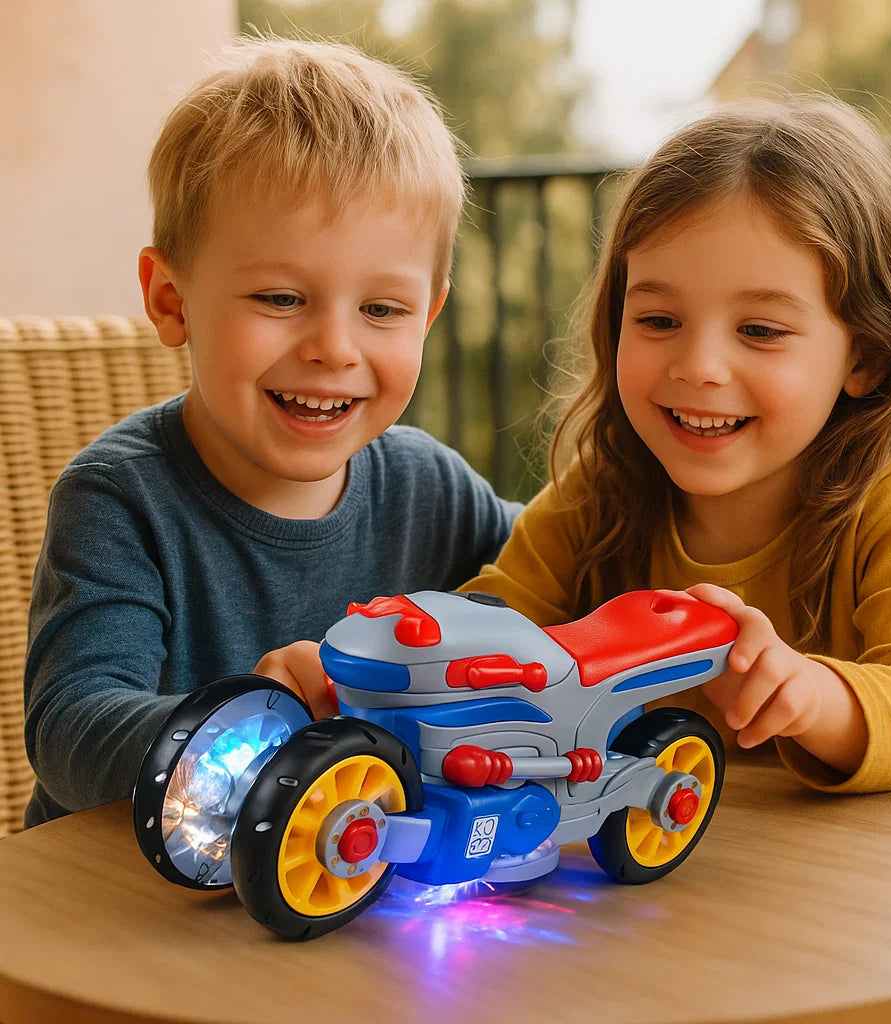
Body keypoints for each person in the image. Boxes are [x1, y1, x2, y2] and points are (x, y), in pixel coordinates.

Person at [22, 38, 520, 827]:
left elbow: (573, 568)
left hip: (344, 877)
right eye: (282, 299)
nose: (335, 348)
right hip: (119, 888)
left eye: (382, 309)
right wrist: (251, 721)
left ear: (427, 317)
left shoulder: (431, 487)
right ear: (172, 301)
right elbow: (69, 733)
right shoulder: (119, 498)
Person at [463, 94, 891, 794]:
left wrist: (812, 697)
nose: (699, 366)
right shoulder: (599, 490)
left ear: (866, 358)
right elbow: (489, 632)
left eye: (759, 331)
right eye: (659, 320)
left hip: (862, 864)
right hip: (659, 856)